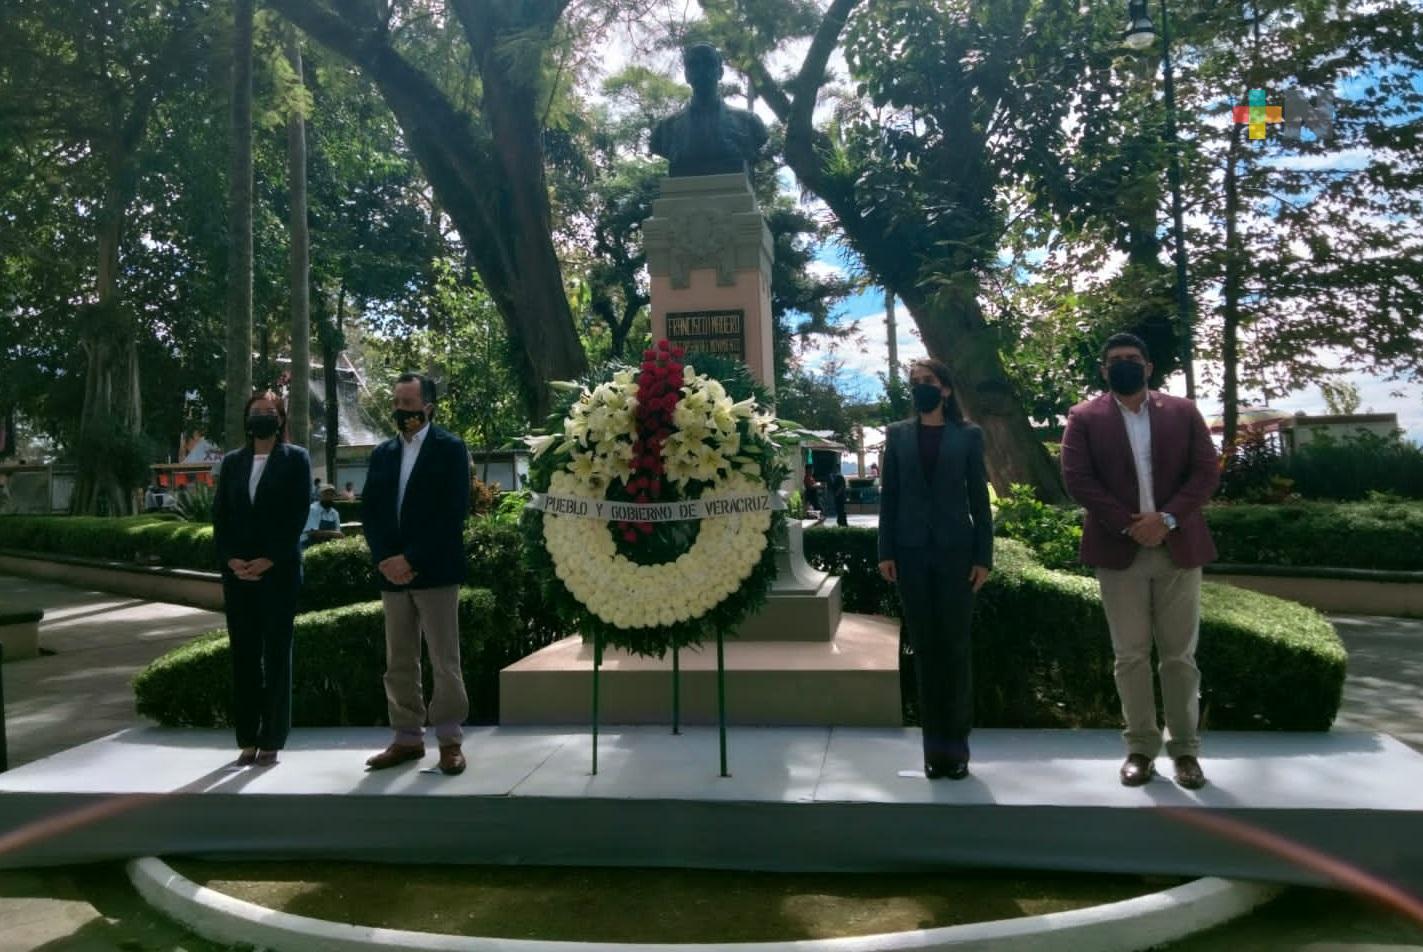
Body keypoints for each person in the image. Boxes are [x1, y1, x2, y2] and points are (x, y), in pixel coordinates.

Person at [1060, 333, 1220, 790]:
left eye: (1133, 358)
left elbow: (1206, 472)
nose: (1124, 365)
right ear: (1103, 369)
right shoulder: (1084, 418)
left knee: (1180, 657)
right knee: (1129, 656)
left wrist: (1167, 519)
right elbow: (1078, 480)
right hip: (1119, 550)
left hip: (1178, 548)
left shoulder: (1183, 412)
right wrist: (1132, 525)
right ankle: (1140, 749)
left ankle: (1185, 751)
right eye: (1115, 361)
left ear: (1148, 367)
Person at [876, 358, 993, 780]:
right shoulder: (898, 435)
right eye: (915, 382)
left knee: (955, 651)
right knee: (925, 652)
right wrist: (885, 550)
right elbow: (889, 498)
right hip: (909, 554)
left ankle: (957, 750)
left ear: (945, 389)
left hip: (956, 555)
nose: (920, 387)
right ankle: (933, 751)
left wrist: (984, 557)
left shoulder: (968, 436)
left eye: (928, 381)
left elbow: (979, 499)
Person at [361, 373, 472, 775]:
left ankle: (449, 740)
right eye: (397, 402)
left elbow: (451, 514)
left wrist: (412, 558)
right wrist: (386, 558)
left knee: (445, 660)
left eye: (409, 403)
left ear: (428, 406)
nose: (402, 411)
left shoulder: (450, 449)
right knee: (399, 660)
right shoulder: (383, 454)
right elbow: (371, 511)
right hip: (391, 574)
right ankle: (407, 738)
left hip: (436, 571)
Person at [212, 390, 312, 767]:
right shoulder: (233, 462)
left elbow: (297, 513)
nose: (263, 418)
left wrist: (269, 559)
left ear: (281, 419)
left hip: (279, 573)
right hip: (238, 576)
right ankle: (247, 738)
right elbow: (220, 516)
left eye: (270, 412)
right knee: (244, 655)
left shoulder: (296, 459)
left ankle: (272, 738)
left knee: (276, 654)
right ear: (246, 420)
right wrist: (232, 559)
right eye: (256, 412)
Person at [650, 44, 769, 179]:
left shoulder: (749, 122)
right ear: (686, 75)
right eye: (694, 64)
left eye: (708, 62)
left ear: (720, 73)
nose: (701, 69)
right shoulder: (665, 128)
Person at [301, 484, 344, 549]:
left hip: (326, 546)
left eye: (331, 495)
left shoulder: (334, 513)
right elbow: (311, 533)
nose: (329, 497)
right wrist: (333, 533)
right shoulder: (312, 509)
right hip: (308, 545)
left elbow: (338, 533)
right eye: (326, 494)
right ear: (319, 496)